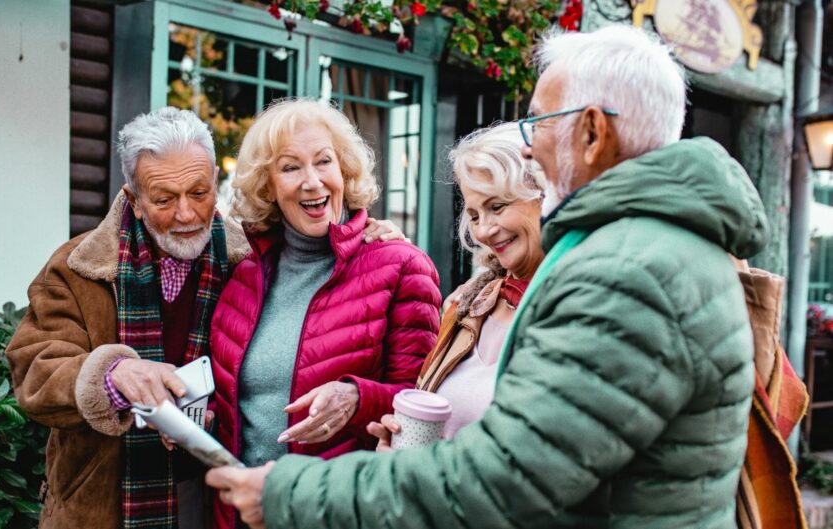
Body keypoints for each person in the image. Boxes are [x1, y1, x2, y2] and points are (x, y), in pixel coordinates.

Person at [206, 24, 770, 529]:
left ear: (593, 133)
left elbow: (508, 479)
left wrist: (292, 492)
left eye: (540, 123)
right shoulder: (642, 244)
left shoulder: (628, 269)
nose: (529, 144)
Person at [6, 106, 404, 529]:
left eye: (198, 192)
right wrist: (114, 375)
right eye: (163, 199)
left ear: (215, 182)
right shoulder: (77, 266)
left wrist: (364, 236)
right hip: (100, 502)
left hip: (207, 497)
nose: (186, 214)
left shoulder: (248, 259)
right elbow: (33, 369)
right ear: (134, 201)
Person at [207, 98, 442, 529]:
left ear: (345, 171)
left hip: (340, 514)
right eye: (291, 167)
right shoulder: (241, 277)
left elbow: (421, 407)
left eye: (323, 162)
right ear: (268, 186)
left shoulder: (402, 266)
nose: (312, 182)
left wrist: (357, 398)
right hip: (240, 515)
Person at [367, 122, 544, 448]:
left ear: (544, 195)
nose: (485, 231)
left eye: (497, 207)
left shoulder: (575, 305)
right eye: (475, 215)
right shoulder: (467, 304)